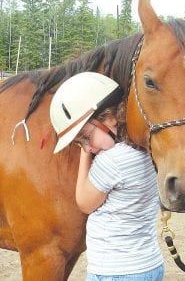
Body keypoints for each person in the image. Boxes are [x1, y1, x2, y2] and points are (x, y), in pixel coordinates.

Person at [50, 72, 164, 281]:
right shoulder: (147, 149)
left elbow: (84, 202)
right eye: (80, 144)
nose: (89, 148)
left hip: (116, 271)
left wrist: (84, 155)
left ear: (111, 117)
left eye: (85, 137)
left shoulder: (112, 160)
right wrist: (88, 141)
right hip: (149, 263)